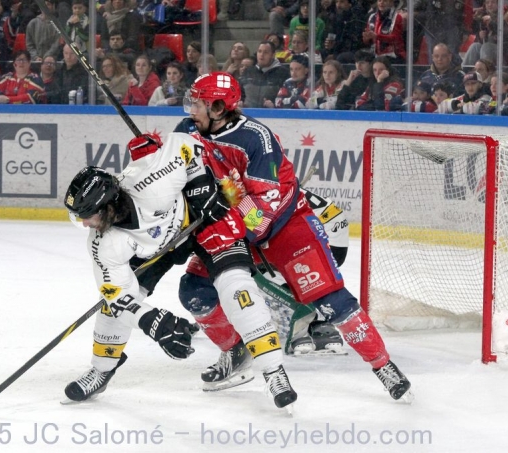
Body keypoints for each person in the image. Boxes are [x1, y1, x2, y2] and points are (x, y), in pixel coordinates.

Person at [174, 72, 412, 402]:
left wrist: (227, 200)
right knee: (194, 291)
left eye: (196, 103)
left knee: (332, 302)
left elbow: (260, 218)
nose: (190, 110)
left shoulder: (257, 140)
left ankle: (383, 365)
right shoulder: (187, 132)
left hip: (286, 227)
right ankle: (235, 352)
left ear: (217, 108)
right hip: (233, 227)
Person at [63, 132, 297, 410]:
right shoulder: (105, 243)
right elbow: (116, 293)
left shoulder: (152, 180)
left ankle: (273, 371)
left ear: (107, 205)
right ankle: (101, 371)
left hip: (200, 222)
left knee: (237, 289)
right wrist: (148, 318)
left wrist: (199, 186)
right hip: (156, 249)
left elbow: (187, 144)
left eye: (86, 215)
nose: (85, 224)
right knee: (111, 311)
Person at [239, 41, 288, 108]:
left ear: (273, 55)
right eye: (259, 51)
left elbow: (287, 99)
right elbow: (240, 93)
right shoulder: (248, 71)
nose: (261, 55)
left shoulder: (283, 73)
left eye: (266, 52)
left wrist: (275, 105)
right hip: (248, 114)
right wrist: (240, 102)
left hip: (272, 116)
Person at [362, 0, 406, 64]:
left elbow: (395, 38)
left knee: (381, 61)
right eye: (379, 0)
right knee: (360, 56)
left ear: (391, 2)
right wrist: (366, 38)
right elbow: (368, 42)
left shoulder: (397, 17)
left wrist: (376, 36)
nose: (381, 2)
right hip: (375, 54)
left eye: (385, 0)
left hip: (394, 55)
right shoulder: (372, 17)